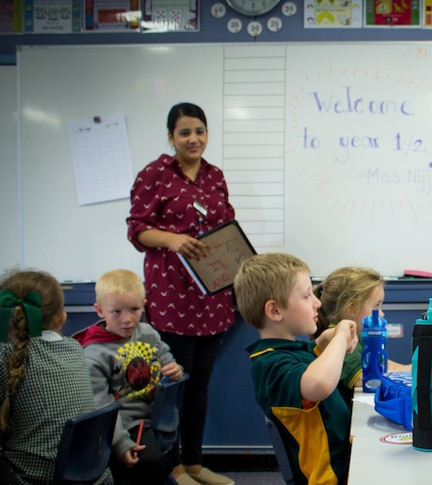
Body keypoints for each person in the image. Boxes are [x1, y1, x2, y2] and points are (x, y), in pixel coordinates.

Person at [126, 102, 235, 485]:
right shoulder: (154, 174)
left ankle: (194, 464)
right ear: (171, 137)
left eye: (200, 131)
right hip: (172, 295)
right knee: (173, 384)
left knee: (201, 385)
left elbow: (227, 227)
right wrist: (172, 239)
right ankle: (171, 466)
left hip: (213, 295)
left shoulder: (215, 175)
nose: (194, 139)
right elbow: (137, 229)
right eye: (185, 132)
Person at [234, 253, 357, 485]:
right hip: (330, 478)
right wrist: (340, 337)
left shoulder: (288, 352)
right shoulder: (269, 366)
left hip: (346, 465)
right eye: (306, 295)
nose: (317, 302)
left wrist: (322, 343)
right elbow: (318, 384)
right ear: (275, 311)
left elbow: (309, 365)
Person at [72, 269, 187, 485]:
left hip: (156, 419)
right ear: (99, 310)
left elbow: (166, 357)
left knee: (162, 462)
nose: (127, 320)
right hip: (123, 425)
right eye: (116, 312)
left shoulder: (147, 333)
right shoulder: (94, 354)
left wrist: (174, 368)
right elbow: (101, 407)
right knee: (152, 465)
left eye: (134, 310)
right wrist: (121, 443)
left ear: (144, 304)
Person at [0, 269, 112, 485]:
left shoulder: (6, 357)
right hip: (93, 477)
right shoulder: (74, 348)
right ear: (62, 318)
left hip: (33, 478)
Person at [312, 266, 410, 408]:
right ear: (352, 309)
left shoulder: (355, 336)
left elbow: (380, 364)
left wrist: (410, 369)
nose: (381, 314)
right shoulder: (340, 340)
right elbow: (363, 378)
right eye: (376, 306)